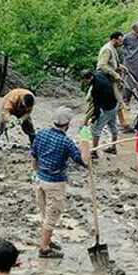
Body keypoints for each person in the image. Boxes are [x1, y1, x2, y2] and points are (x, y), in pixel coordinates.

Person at [31, 106, 87, 258]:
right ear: (67, 125)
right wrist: (85, 140)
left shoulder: (41, 133)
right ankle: (44, 248)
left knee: (45, 213)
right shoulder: (66, 142)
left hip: (41, 179)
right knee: (52, 216)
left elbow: (34, 156)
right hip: (55, 183)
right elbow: (84, 160)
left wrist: (37, 173)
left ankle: (47, 240)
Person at [81, 69, 119, 158]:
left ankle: (94, 152)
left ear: (88, 79)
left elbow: (96, 107)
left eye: (84, 81)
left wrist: (93, 119)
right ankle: (113, 147)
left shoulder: (96, 88)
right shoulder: (99, 74)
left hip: (107, 109)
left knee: (95, 130)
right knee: (113, 126)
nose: (84, 83)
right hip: (114, 105)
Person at [97, 31, 129, 129]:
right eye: (119, 41)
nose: (121, 43)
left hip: (110, 79)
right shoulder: (107, 49)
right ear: (114, 40)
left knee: (117, 99)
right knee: (97, 102)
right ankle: (86, 122)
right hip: (104, 79)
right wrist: (115, 74)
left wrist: (121, 67)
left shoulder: (113, 48)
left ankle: (123, 123)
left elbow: (112, 63)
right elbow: (102, 65)